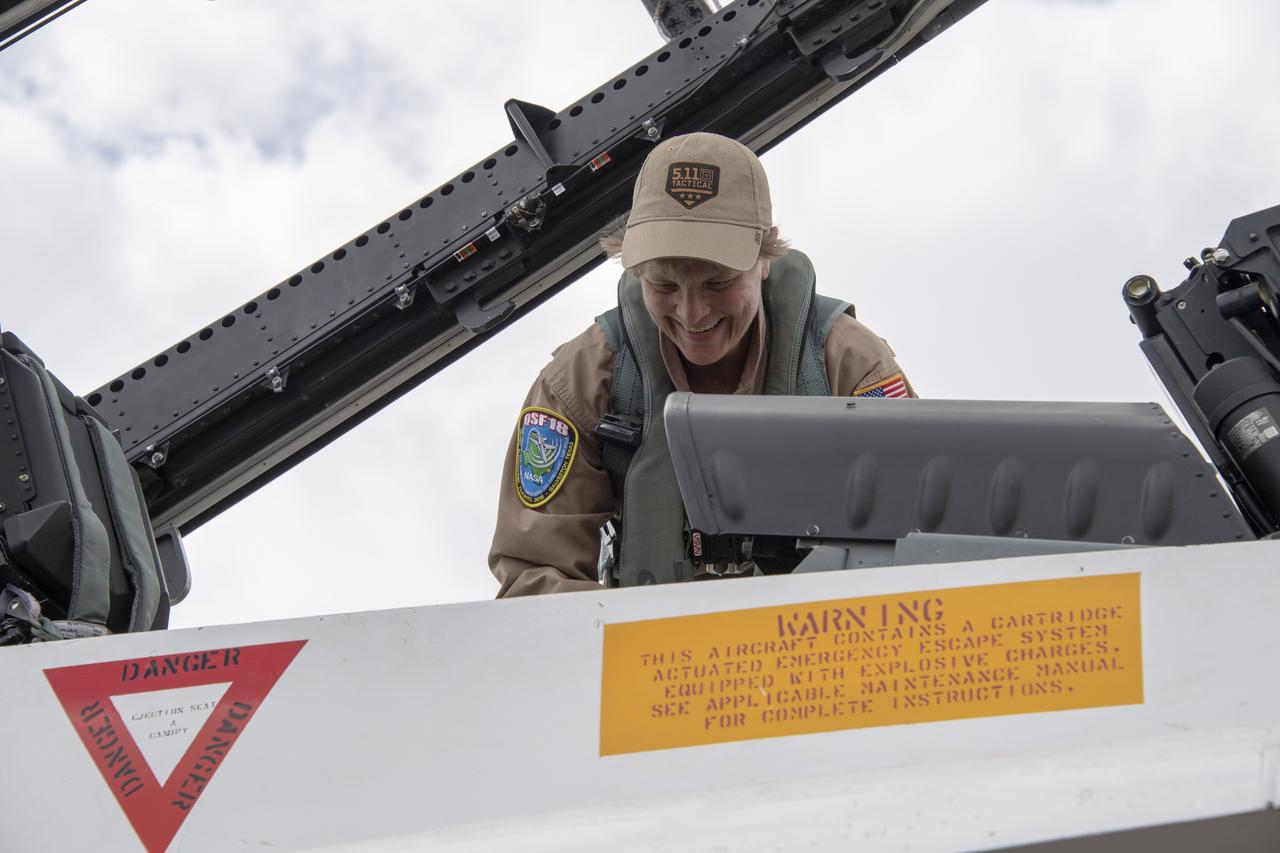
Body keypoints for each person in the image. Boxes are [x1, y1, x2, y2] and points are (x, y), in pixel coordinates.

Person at [488, 132, 914, 597]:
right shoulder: (582, 382)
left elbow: (917, 545)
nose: (691, 314)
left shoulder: (846, 364)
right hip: (650, 652)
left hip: (821, 647)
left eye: (718, 282)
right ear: (635, 273)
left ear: (765, 257)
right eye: (665, 286)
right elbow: (533, 577)